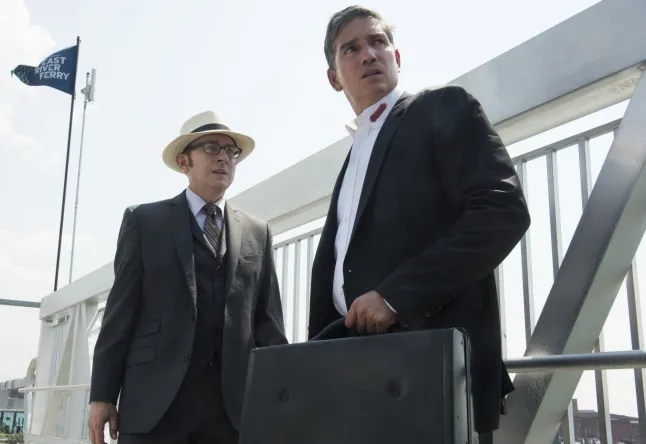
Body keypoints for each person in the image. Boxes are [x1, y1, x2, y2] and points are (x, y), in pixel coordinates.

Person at [307, 6, 531, 441]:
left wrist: (395, 296)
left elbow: (502, 210)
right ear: (334, 78)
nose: (369, 54)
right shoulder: (354, 156)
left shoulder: (442, 107)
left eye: (378, 42)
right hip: (354, 377)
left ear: (396, 56)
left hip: (430, 374)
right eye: (351, 48)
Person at [87, 111, 287, 444]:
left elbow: (269, 325)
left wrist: (283, 397)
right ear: (184, 162)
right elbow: (120, 312)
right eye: (211, 148)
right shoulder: (144, 221)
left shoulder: (257, 232)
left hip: (230, 410)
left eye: (231, 151)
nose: (224, 157)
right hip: (154, 403)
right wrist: (102, 395)